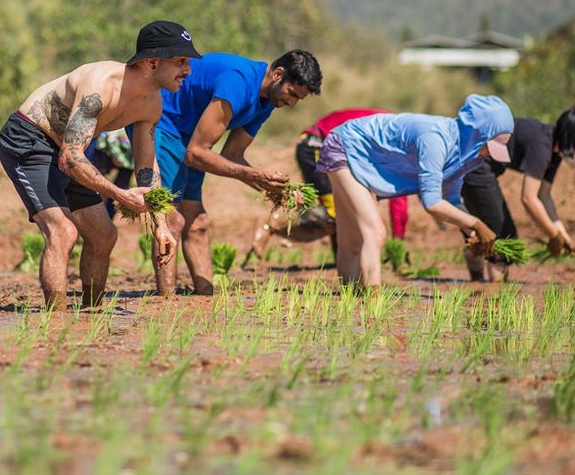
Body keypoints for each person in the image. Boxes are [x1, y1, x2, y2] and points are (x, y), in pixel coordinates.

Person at [0, 21, 200, 310]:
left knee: (104, 235)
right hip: (31, 139)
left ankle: (90, 313)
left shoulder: (152, 103)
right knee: (63, 231)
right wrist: (120, 194)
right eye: (180, 61)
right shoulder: (101, 83)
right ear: (152, 63)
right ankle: (56, 320)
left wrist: (161, 224)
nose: (188, 71)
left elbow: (146, 167)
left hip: (70, 151)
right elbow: (71, 157)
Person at [138, 49, 323, 296]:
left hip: (191, 135)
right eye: (291, 94)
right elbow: (196, 154)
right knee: (173, 218)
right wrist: (255, 176)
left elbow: (232, 155)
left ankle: (204, 296)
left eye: (298, 99)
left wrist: (276, 188)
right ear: (278, 74)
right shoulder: (239, 82)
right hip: (164, 121)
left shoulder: (267, 102)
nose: (291, 103)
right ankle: (166, 298)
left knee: (198, 221)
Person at [316, 94, 514, 288]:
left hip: (366, 159)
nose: (489, 153)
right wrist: (478, 224)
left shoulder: (466, 156)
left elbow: (452, 199)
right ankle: (372, 307)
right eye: (489, 145)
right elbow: (433, 204)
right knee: (374, 232)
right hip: (345, 147)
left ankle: (351, 299)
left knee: (353, 240)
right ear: (476, 134)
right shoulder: (435, 139)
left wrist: (472, 232)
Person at [244, 108, 410, 266]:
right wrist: (399, 240)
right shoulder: (396, 140)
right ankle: (271, 224)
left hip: (320, 146)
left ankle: (346, 262)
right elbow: (398, 198)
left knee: (345, 209)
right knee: (336, 212)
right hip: (317, 147)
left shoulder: (394, 127)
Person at [461, 108, 575, 282]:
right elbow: (528, 198)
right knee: (505, 238)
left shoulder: (555, 151)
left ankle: (477, 283)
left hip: (478, 167)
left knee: (482, 233)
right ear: (573, 142)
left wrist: (563, 236)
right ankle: (493, 291)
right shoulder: (542, 146)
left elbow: (544, 195)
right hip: (475, 167)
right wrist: (552, 235)